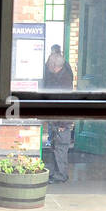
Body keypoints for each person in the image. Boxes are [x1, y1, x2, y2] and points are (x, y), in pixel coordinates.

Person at [42, 45, 74, 182]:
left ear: (55, 66)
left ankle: (61, 175)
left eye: (50, 64)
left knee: (60, 148)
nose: (48, 66)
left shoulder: (64, 81)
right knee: (56, 148)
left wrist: (62, 123)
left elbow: (64, 104)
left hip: (62, 121)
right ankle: (57, 173)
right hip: (57, 119)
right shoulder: (62, 74)